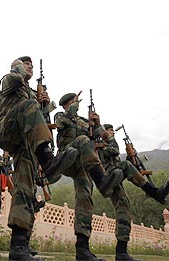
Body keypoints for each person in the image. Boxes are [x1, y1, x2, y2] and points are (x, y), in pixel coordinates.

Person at [0, 56, 78, 261]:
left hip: (27, 142)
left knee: (26, 187)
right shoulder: (9, 79)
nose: (29, 66)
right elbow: (17, 81)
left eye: (30, 64)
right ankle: (48, 160)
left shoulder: (32, 95)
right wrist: (19, 70)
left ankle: (20, 246)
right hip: (8, 130)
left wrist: (45, 104)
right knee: (30, 104)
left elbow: (41, 120)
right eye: (25, 63)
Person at [54, 92, 125, 261]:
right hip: (67, 157)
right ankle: (102, 181)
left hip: (84, 164)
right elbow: (61, 123)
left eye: (76, 101)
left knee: (85, 198)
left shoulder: (85, 122)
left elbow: (111, 146)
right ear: (65, 105)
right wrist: (73, 107)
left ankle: (82, 248)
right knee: (83, 139)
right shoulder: (61, 116)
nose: (76, 103)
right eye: (72, 102)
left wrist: (98, 125)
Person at [96, 123, 169, 261]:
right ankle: (154, 192)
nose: (113, 133)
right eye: (110, 131)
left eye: (113, 131)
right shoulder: (100, 146)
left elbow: (119, 164)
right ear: (104, 133)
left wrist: (132, 158)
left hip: (116, 178)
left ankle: (122, 253)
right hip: (106, 179)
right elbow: (113, 151)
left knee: (124, 207)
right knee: (126, 166)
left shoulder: (109, 148)